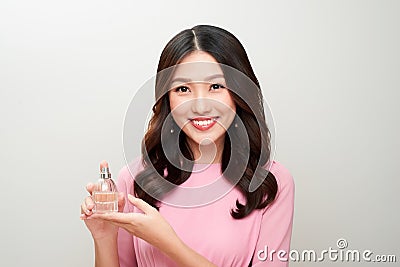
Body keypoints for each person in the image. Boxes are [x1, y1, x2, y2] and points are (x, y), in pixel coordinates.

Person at [81, 25, 294, 267]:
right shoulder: (136, 178)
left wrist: (168, 244)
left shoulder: (271, 182)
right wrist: (104, 236)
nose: (200, 106)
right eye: (183, 89)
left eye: (216, 86)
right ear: (167, 98)